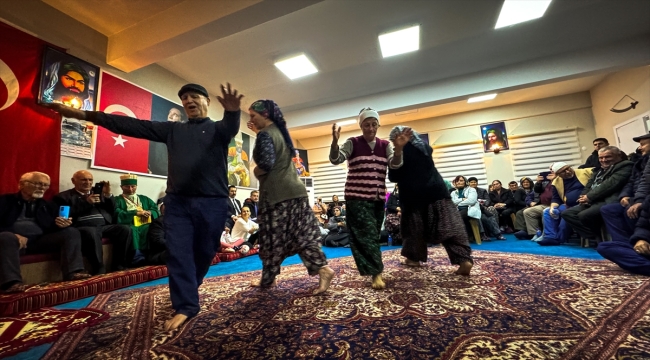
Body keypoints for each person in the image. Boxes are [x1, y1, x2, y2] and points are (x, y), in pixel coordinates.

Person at [43, 82, 242, 331]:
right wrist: (84, 114)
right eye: (184, 98)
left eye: (194, 96)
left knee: (204, 252)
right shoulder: (173, 130)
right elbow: (131, 125)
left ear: (207, 101)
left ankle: (190, 284)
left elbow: (231, 126)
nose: (188, 101)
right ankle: (186, 305)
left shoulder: (217, 130)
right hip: (178, 202)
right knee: (178, 253)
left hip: (212, 202)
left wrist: (233, 111)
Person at [248, 99, 334, 294]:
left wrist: (255, 171)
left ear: (265, 115)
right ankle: (323, 269)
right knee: (303, 236)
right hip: (296, 192)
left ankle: (268, 280)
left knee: (271, 240)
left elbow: (267, 165)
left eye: (253, 115)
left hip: (278, 195)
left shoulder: (265, 135)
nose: (250, 119)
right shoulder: (280, 133)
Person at [329, 107, 404, 289]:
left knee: (372, 235)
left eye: (373, 124)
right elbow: (336, 159)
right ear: (361, 126)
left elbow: (395, 164)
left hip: (378, 199)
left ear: (378, 125)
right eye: (366, 125)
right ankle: (376, 273)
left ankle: (370, 268)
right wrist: (334, 142)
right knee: (366, 236)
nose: (370, 128)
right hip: (357, 198)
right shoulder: (353, 142)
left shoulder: (384, 145)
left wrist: (399, 149)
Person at [388, 126, 473, 274]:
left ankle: (413, 259)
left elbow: (393, 176)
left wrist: (398, 150)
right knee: (449, 228)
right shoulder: (425, 148)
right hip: (438, 193)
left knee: (414, 230)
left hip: (413, 198)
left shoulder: (399, 152)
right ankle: (464, 260)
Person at [1, 172, 90, 293]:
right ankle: (11, 283)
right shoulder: (5, 201)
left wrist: (61, 225)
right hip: (13, 242)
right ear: (21, 184)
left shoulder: (48, 205)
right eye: (38, 184)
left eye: (45, 185)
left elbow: (51, 227)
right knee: (6, 237)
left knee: (71, 232)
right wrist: (14, 234)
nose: (42, 188)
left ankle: (74, 272)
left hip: (39, 241)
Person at [55, 170, 131, 274]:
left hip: (103, 225)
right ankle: (99, 267)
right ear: (73, 181)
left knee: (125, 229)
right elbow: (66, 215)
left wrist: (108, 195)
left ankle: (119, 265)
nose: (88, 182)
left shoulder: (98, 193)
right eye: (84, 179)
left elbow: (112, 209)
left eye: (90, 180)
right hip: (82, 227)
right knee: (92, 232)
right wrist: (86, 203)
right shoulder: (64, 196)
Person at [562, 146, 632, 245]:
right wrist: (583, 196)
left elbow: (609, 185)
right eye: (601, 158)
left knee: (585, 215)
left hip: (607, 199)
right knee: (568, 213)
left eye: (608, 157)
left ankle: (600, 239)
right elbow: (589, 185)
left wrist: (589, 197)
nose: (604, 160)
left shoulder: (625, 166)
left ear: (618, 155)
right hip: (593, 200)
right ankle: (595, 236)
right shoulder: (598, 170)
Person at [600, 134, 650, 240]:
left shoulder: (626, 165)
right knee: (608, 210)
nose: (639, 148)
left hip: (644, 199)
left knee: (629, 211)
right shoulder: (640, 162)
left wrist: (639, 201)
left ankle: (640, 241)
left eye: (642, 144)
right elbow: (631, 182)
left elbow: (646, 184)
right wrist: (625, 195)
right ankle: (623, 243)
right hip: (635, 197)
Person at [537, 162, 592, 245]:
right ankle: (550, 237)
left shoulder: (586, 172)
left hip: (584, 203)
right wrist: (552, 207)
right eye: (563, 171)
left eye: (568, 168)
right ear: (558, 174)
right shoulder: (556, 182)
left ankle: (559, 239)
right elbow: (556, 199)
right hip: (568, 204)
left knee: (566, 215)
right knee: (547, 211)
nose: (567, 172)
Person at [113, 174, 160, 266]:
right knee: (132, 230)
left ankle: (151, 256)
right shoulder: (117, 200)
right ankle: (137, 257)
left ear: (136, 186)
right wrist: (135, 213)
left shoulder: (144, 198)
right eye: (127, 186)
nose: (130, 189)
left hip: (145, 224)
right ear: (121, 187)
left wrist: (150, 212)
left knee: (151, 228)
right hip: (129, 224)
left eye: (133, 186)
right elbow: (117, 212)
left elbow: (155, 209)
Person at [451, 175, 482, 242]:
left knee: (458, 217)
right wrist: (462, 199)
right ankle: (468, 236)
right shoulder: (453, 192)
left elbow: (471, 201)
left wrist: (458, 203)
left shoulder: (471, 189)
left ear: (465, 182)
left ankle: (463, 237)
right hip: (457, 209)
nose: (459, 182)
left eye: (461, 180)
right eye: (457, 181)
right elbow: (451, 202)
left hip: (469, 208)